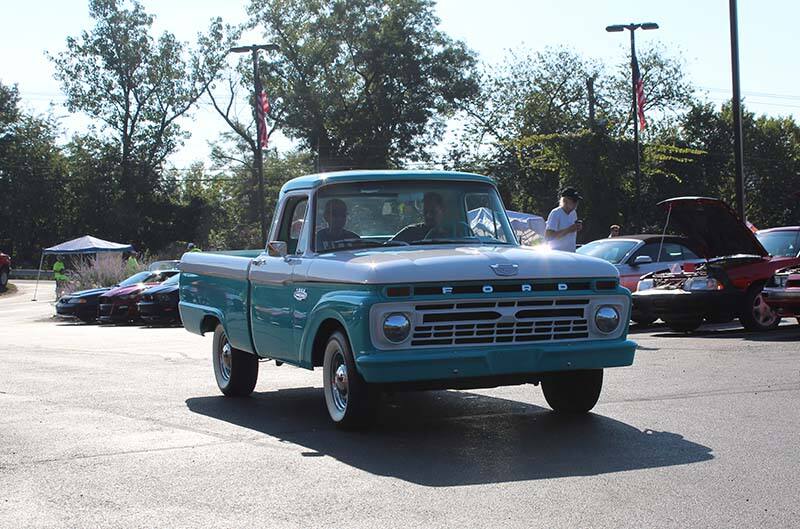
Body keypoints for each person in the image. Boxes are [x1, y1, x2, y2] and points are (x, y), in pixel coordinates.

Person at [393, 192, 467, 243]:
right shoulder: (410, 232)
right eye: (425, 212)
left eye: (433, 212)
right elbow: (388, 247)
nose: (428, 216)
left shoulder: (456, 233)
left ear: (443, 210)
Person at [545, 187, 583, 252]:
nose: (576, 203)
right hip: (557, 255)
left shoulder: (573, 213)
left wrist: (577, 227)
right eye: (574, 200)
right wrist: (569, 229)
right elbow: (549, 236)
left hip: (571, 253)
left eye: (577, 201)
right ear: (565, 200)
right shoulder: (555, 213)